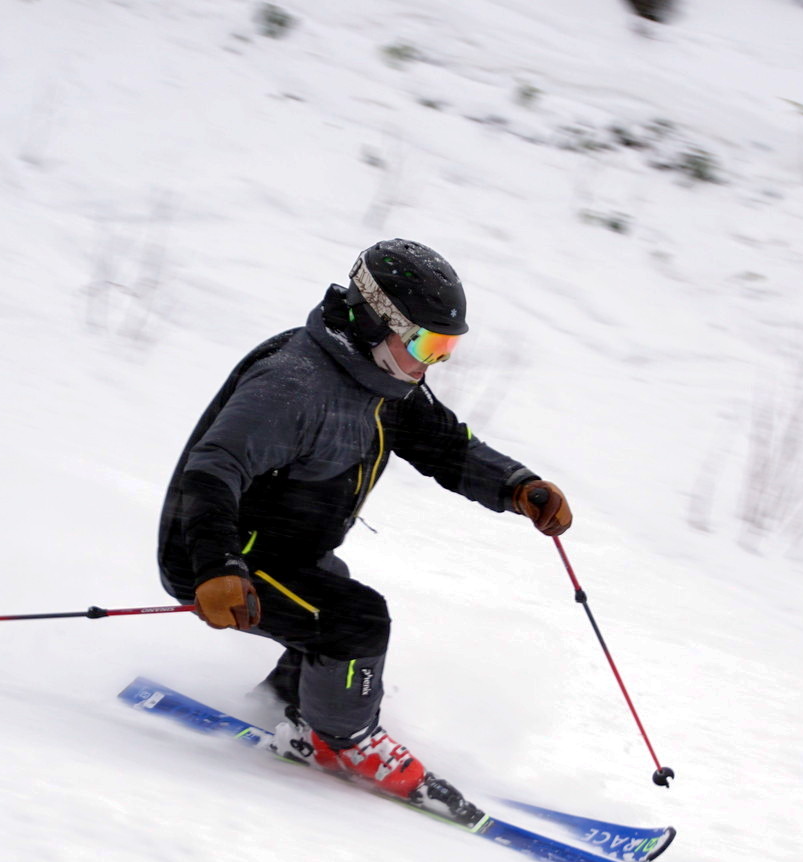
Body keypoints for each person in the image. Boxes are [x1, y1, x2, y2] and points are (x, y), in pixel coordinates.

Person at [157, 239, 572, 823]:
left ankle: (284, 708)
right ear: (379, 323)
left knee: (331, 597)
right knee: (354, 621)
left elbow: (445, 446)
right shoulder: (294, 383)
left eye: (446, 349)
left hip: (288, 551)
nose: (433, 362)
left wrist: (516, 486)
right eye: (426, 343)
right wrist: (216, 567)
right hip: (223, 558)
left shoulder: (385, 385)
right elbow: (213, 470)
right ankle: (339, 738)